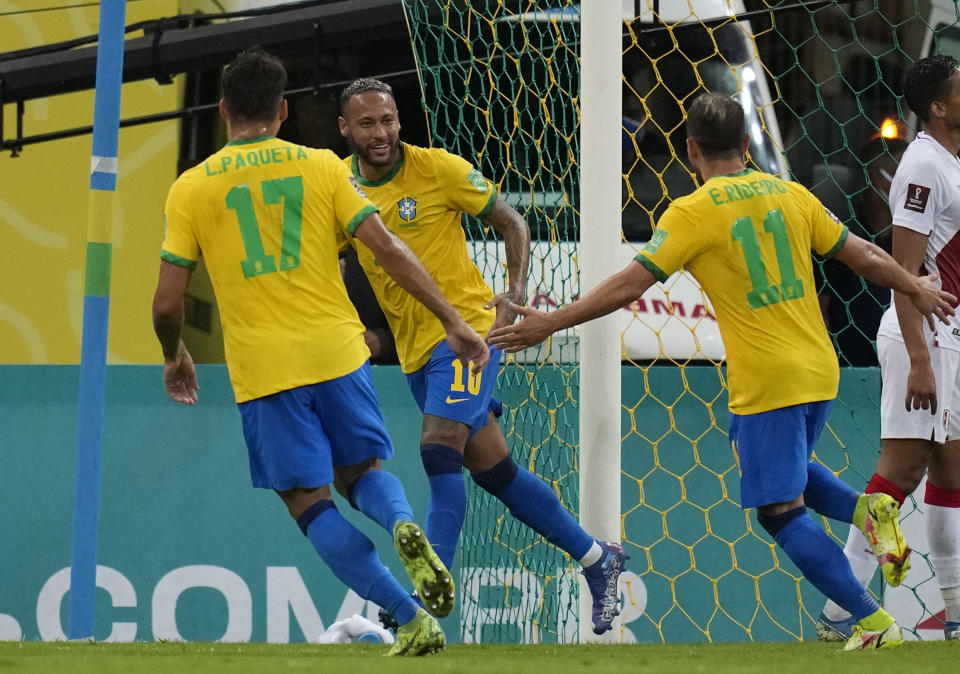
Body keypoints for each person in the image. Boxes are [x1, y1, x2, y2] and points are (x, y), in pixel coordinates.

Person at [487, 92, 957, 650]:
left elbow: (631, 285)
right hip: (819, 365)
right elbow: (862, 254)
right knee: (790, 470)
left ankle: (872, 622)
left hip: (768, 377)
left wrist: (551, 322)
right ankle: (866, 509)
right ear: (745, 141)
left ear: (690, 149)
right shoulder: (791, 194)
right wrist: (915, 284)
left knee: (780, 513)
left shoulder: (693, 211)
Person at [152, 47, 491, 656]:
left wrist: (175, 352)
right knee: (364, 474)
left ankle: (408, 617)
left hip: (265, 370)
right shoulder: (323, 168)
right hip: (339, 354)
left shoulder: (191, 188)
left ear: (224, 108)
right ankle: (401, 522)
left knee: (308, 502)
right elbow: (386, 248)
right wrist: (453, 321)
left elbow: (166, 303)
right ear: (283, 110)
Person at [337, 78, 628, 635]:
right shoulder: (343, 190)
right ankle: (598, 559)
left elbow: (512, 221)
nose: (382, 132)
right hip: (418, 354)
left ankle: (419, 608)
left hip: (469, 334)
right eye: (368, 123)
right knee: (497, 473)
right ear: (345, 130)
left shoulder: (440, 169)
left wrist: (512, 296)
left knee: (437, 451)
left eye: (389, 119)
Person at [818, 55, 960, 642]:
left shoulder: (950, 161)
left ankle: (954, 618)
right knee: (896, 477)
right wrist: (922, 361)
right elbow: (905, 271)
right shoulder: (924, 166)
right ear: (938, 106)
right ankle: (840, 612)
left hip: (948, 336)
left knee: (950, 476)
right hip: (920, 337)